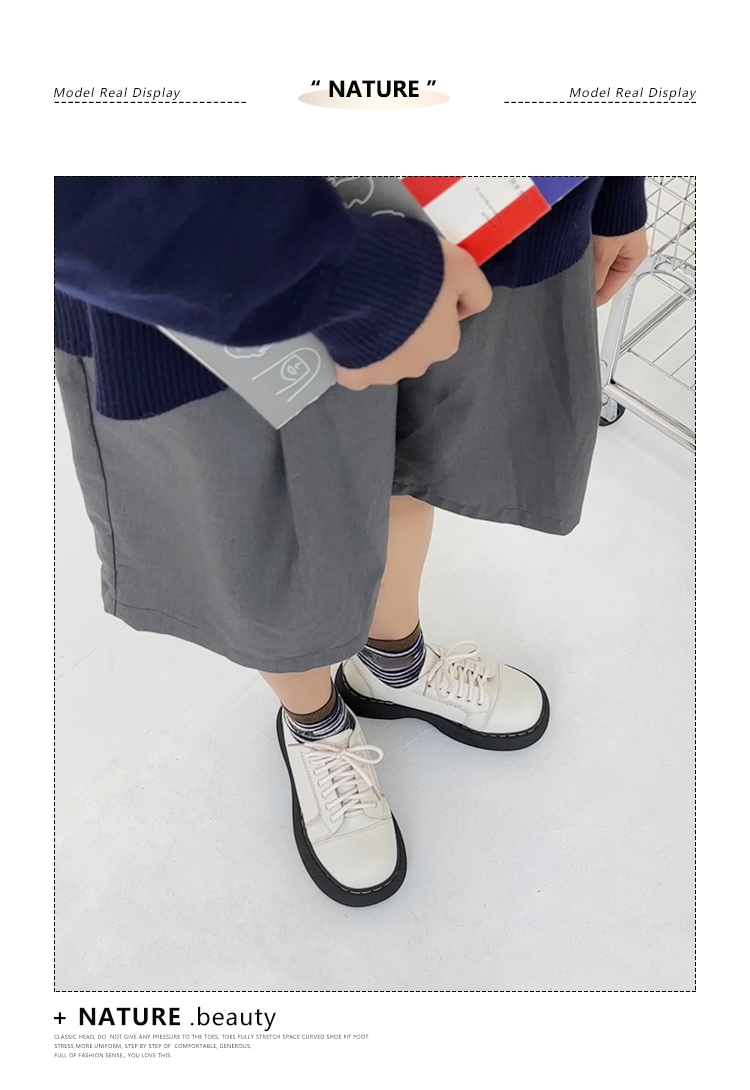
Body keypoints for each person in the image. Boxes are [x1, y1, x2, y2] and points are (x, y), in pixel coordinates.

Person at [54, 176, 648, 907]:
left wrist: (618, 181)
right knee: (270, 522)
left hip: (480, 190)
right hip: (208, 246)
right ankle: (315, 722)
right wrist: (335, 277)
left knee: (412, 457)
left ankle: (394, 665)